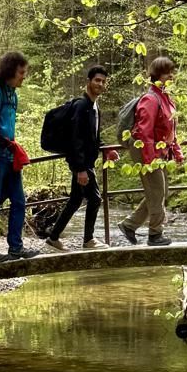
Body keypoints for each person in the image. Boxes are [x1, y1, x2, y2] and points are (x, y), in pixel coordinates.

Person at [43, 66, 116, 251]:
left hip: (85, 161)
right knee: (95, 199)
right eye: (97, 80)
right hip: (81, 163)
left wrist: (106, 149)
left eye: (103, 81)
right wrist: (80, 169)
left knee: (76, 200)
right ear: (88, 81)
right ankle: (88, 240)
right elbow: (75, 139)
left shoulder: (94, 106)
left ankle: (53, 237)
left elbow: (92, 137)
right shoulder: (81, 106)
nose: (100, 84)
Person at [0, 51, 39, 265]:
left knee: (19, 201)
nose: (24, 76)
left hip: (10, 157)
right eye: (21, 72)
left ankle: (16, 247)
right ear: (10, 71)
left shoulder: (13, 95)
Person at [120, 55, 181, 247]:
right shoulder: (151, 98)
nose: (171, 76)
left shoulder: (166, 98)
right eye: (167, 73)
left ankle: (129, 225)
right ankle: (155, 234)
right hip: (145, 149)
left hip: (157, 150)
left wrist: (177, 151)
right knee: (157, 191)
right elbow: (144, 132)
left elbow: (170, 129)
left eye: (172, 72)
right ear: (157, 75)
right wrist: (149, 159)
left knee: (161, 191)